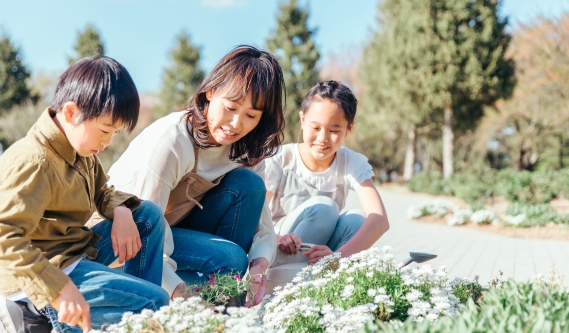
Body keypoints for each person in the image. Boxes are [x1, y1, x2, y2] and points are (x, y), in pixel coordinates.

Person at [0, 57, 169, 333]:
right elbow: (2, 238)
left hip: (73, 252)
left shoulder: (80, 148)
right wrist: (58, 289)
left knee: (146, 217)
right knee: (155, 301)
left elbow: (102, 192)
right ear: (71, 112)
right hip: (48, 270)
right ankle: (37, 312)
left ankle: (139, 320)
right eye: (105, 130)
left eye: (114, 133)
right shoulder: (32, 161)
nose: (108, 142)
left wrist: (122, 212)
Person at [105, 45, 284, 306]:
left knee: (249, 185)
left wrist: (258, 266)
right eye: (231, 107)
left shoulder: (246, 148)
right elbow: (148, 224)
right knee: (231, 259)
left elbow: (263, 227)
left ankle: (222, 308)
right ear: (210, 91)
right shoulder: (171, 142)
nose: (236, 124)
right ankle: (165, 298)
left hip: (178, 230)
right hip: (126, 239)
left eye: (251, 115)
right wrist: (175, 288)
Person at [265, 80, 389, 270]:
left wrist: (339, 257)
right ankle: (286, 282)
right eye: (315, 128)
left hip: (317, 258)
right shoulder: (281, 159)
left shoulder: (350, 161)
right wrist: (277, 237)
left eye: (334, 130)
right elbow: (254, 218)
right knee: (325, 207)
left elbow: (379, 219)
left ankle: (324, 280)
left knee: (356, 220)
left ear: (349, 128)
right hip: (279, 251)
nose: (322, 138)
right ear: (302, 121)